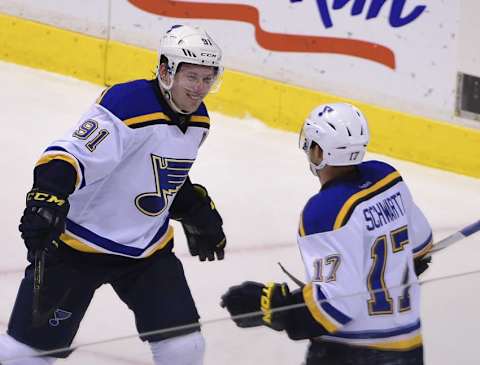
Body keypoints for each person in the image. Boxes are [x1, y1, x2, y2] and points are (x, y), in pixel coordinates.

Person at [0, 24, 226, 365]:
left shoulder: (199, 120)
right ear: (166, 70)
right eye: (192, 77)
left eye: (208, 79)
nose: (200, 89)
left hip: (147, 251)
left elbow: (159, 172)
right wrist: (46, 196)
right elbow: (69, 154)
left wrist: (193, 207)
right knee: (23, 356)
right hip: (78, 247)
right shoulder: (128, 103)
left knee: (185, 348)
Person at [221, 103, 433, 365]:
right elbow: (421, 248)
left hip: (352, 352)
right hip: (410, 346)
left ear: (319, 151)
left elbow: (335, 308)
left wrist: (273, 307)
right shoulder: (387, 178)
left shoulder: (325, 211)